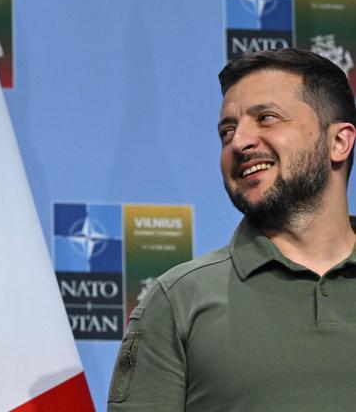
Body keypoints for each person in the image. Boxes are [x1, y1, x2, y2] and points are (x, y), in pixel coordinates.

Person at [108, 47, 356, 411]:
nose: (239, 142)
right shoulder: (178, 301)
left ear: (338, 142)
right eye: (227, 131)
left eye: (267, 118)